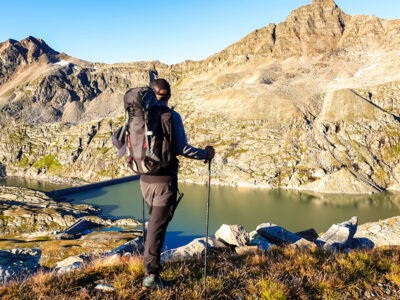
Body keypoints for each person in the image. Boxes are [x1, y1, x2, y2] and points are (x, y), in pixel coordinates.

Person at [141, 78, 215, 289]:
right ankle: (151, 277)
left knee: (155, 225)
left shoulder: (139, 116)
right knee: (157, 228)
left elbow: (117, 139)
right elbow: (183, 148)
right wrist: (205, 154)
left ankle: (151, 269)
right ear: (169, 96)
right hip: (165, 181)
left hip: (144, 179)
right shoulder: (172, 117)